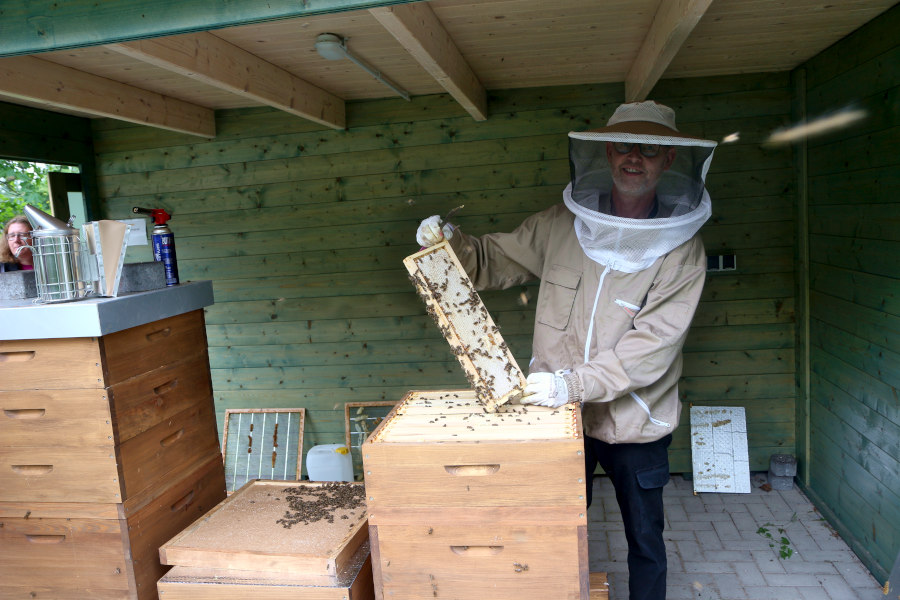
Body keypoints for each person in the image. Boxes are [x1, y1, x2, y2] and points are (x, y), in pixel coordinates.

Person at [416, 101, 716, 600]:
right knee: (548, 530)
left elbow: (652, 347)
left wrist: (570, 383)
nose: (633, 157)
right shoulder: (562, 224)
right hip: (557, 418)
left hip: (633, 424)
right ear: (606, 152)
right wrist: (452, 244)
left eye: (649, 148)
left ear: (668, 159)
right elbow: (492, 260)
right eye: (623, 145)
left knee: (645, 540)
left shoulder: (683, 251)